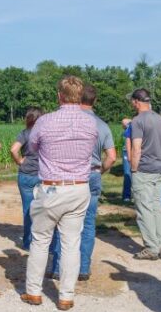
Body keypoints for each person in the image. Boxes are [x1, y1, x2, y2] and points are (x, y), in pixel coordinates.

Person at [20, 76, 98, 310]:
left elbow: (32, 146)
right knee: (71, 243)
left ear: (59, 95)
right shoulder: (90, 123)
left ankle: (34, 291)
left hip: (52, 186)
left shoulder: (45, 121)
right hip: (79, 186)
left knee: (41, 240)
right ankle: (66, 295)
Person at [47, 84, 117, 280]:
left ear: (77, 99)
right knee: (87, 223)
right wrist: (100, 170)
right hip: (92, 174)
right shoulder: (101, 125)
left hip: (68, 174)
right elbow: (112, 157)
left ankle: (58, 268)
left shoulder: (68, 122)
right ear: (95, 101)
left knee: (63, 221)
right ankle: (83, 268)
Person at [129, 88, 161, 260]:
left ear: (136, 102)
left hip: (144, 169)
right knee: (155, 207)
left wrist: (133, 169)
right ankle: (160, 244)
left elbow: (136, 148)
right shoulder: (159, 119)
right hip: (160, 168)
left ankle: (151, 248)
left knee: (144, 209)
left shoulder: (137, 121)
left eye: (132, 101)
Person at [11, 108, 44, 251]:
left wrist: (20, 161)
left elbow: (13, 149)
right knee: (44, 210)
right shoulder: (44, 133)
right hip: (42, 175)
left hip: (26, 174)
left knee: (27, 210)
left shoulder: (25, 133)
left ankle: (27, 243)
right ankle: (43, 242)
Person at [120, 118, 133, 201]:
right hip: (128, 151)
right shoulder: (130, 128)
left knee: (129, 173)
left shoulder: (130, 127)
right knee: (128, 173)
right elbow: (124, 120)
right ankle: (127, 195)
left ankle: (128, 196)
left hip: (134, 151)